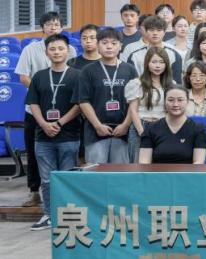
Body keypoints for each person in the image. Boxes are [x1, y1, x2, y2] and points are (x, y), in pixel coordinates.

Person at [26, 34, 81, 231]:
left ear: (68, 51)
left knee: (67, 178)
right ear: (46, 52)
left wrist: (58, 122)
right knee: (47, 180)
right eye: (52, 49)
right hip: (43, 137)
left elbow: (80, 104)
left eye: (60, 48)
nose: (57, 52)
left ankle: (67, 216)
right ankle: (49, 215)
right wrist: (43, 124)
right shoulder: (39, 76)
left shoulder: (77, 75)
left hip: (69, 135)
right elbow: (32, 103)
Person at [75, 27, 136, 164]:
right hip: (95, 132)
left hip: (123, 133)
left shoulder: (130, 70)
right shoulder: (87, 71)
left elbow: (135, 101)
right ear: (97, 45)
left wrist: (125, 125)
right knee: (96, 172)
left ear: (121, 46)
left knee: (119, 173)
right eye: (104, 43)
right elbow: (83, 101)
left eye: (114, 43)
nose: (109, 46)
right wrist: (97, 126)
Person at [125, 47, 173, 162]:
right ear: (147, 63)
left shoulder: (171, 84)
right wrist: (142, 132)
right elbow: (133, 110)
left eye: (161, 62)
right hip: (141, 125)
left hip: (163, 126)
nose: (158, 66)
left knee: (161, 164)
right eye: (154, 62)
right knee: (138, 164)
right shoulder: (137, 83)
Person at [138, 85, 206, 165]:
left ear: (187, 101)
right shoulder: (151, 129)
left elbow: (199, 162)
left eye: (180, 100)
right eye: (171, 100)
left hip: (187, 172)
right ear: (164, 102)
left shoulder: (198, 129)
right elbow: (144, 162)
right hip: (158, 172)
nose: (175, 104)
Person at [122, 15, 184, 83]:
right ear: (146, 31)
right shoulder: (134, 56)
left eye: (159, 30)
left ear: (164, 32)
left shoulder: (174, 55)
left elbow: (176, 82)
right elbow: (131, 81)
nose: (155, 33)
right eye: (151, 30)